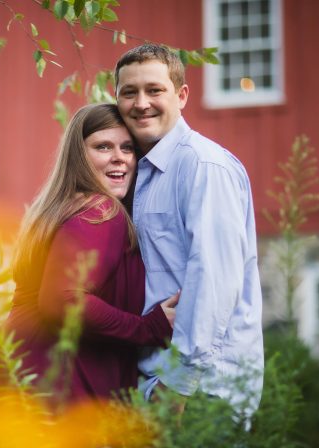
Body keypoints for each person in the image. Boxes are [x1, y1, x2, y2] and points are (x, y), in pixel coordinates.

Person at [0, 103, 178, 409]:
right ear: (79, 155)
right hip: (45, 393)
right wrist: (147, 328)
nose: (119, 157)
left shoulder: (62, 208)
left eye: (128, 148)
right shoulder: (100, 212)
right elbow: (63, 300)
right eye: (103, 146)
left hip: (10, 381)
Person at [113, 43, 264, 416]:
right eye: (128, 92)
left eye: (154, 90)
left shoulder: (203, 166)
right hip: (157, 386)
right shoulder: (143, 170)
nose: (141, 102)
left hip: (201, 392)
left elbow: (213, 277)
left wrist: (178, 383)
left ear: (181, 95)